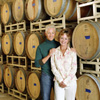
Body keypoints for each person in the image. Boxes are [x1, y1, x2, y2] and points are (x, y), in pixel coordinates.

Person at [51, 29, 77, 100]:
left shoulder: (72, 52)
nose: (63, 40)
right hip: (58, 82)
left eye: (66, 38)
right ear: (59, 39)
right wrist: (60, 80)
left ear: (68, 40)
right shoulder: (54, 52)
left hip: (71, 82)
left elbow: (74, 68)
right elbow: (53, 68)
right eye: (62, 38)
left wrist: (66, 81)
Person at [35, 24, 59, 100]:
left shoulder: (59, 45)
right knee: (45, 98)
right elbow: (37, 64)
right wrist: (48, 55)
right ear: (45, 33)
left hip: (58, 75)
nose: (51, 35)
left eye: (52, 33)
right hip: (46, 75)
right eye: (49, 33)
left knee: (59, 98)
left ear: (55, 34)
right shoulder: (40, 47)